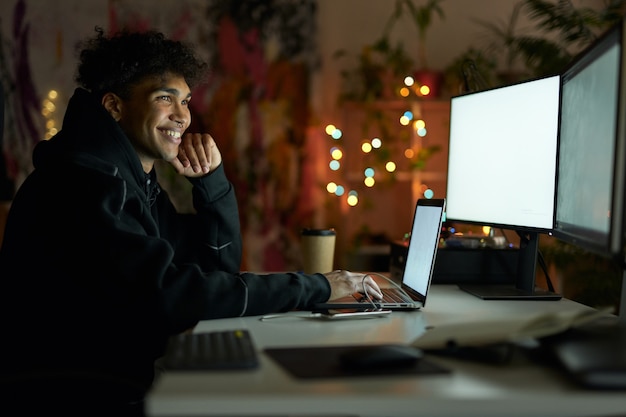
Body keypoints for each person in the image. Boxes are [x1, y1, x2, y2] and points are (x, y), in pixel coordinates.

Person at [0, 28, 382, 414]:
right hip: (73, 395)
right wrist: (315, 288)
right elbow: (170, 295)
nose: (182, 116)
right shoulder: (87, 181)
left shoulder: (128, 177)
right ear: (114, 106)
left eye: (185, 101)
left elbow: (212, 267)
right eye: (165, 98)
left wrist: (212, 183)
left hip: (107, 379)